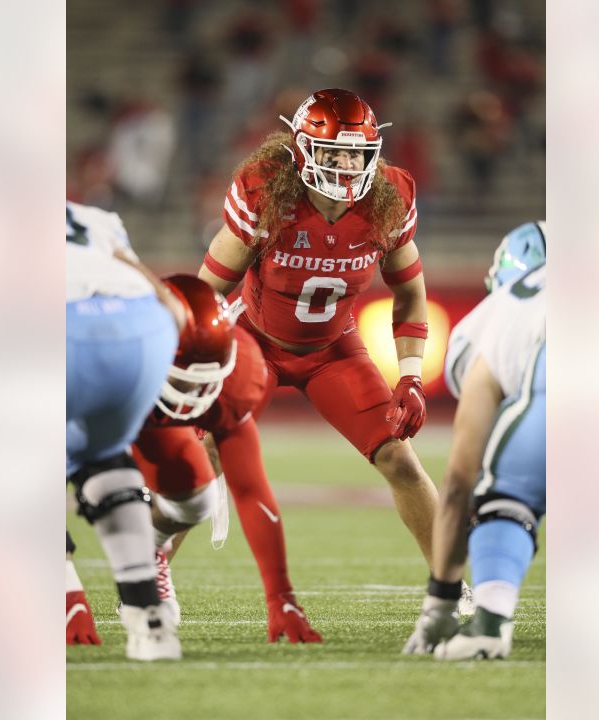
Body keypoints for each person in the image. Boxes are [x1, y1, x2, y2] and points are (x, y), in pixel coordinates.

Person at [197, 88, 444, 584]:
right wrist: (201, 361)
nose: (347, 164)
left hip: (333, 351)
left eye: (357, 152)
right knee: (203, 456)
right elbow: (205, 294)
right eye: (334, 151)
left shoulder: (387, 199)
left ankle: (451, 586)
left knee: (399, 459)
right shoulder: (267, 193)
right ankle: (148, 582)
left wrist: (412, 377)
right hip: (257, 342)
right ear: (303, 149)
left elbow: (411, 296)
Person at [133, 276, 323, 643]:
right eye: (187, 377)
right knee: (105, 489)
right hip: (109, 404)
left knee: (195, 497)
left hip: (149, 410)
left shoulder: (238, 370)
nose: (195, 395)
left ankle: (152, 551)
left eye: (207, 378)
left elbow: (251, 489)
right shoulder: (96, 365)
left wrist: (280, 597)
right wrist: (70, 594)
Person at [403, 221, 546, 660]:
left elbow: (458, 484)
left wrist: (441, 602)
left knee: (505, 495)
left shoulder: (497, 313)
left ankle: (489, 621)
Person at [65, 200, 187, 660]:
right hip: (143, 326)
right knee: (106, 459)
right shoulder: (90, 216)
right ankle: (148, 619)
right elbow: (169, 304)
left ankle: (66, 600)